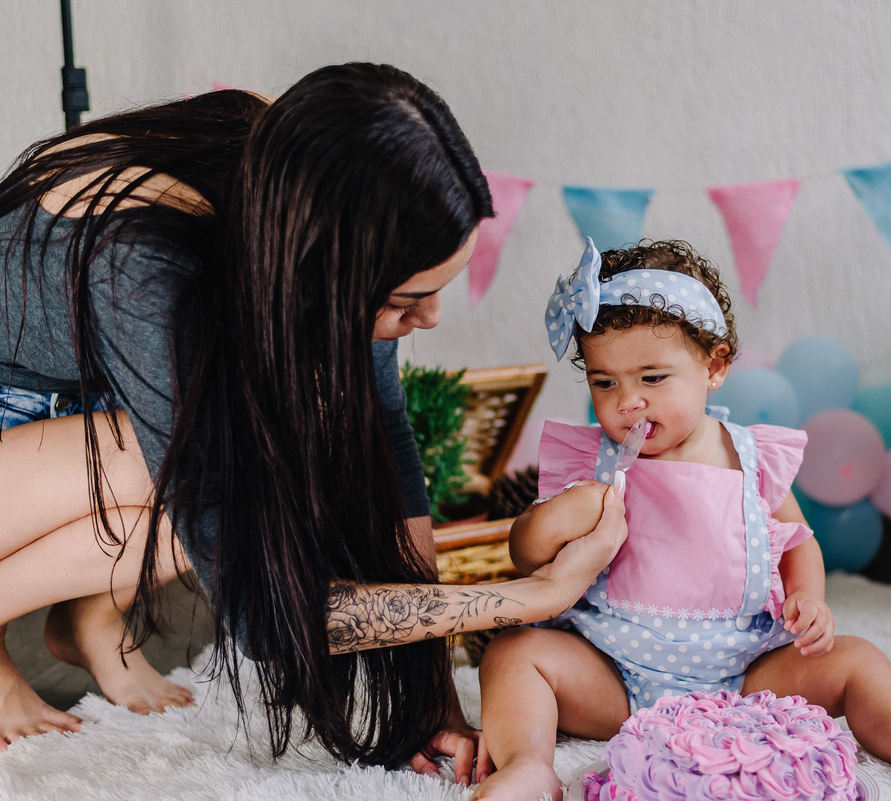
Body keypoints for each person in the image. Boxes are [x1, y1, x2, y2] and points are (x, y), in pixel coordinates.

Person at [0, 63, 627, 780]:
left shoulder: (316, 173)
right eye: (406, 301)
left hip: (81, 401)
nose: (430, 318)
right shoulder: (139, 267)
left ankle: (87, 619)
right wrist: (527, 597)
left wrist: (431, 697)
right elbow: (270, 617)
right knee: (205, 476)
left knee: (223, 480)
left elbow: (388, 449)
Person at [472, 239, 891, 801]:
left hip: (745, 675)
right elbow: (525, 552)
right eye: (605, 382)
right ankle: (527, 765)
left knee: (856, 660)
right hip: (614, 675)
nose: (628, 402)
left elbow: (799, 542)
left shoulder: (751, 456)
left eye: (652, 378)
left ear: (714, 365)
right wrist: (562, 514)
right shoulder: (594, 462)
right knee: (513, 652)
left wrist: (808, 598)